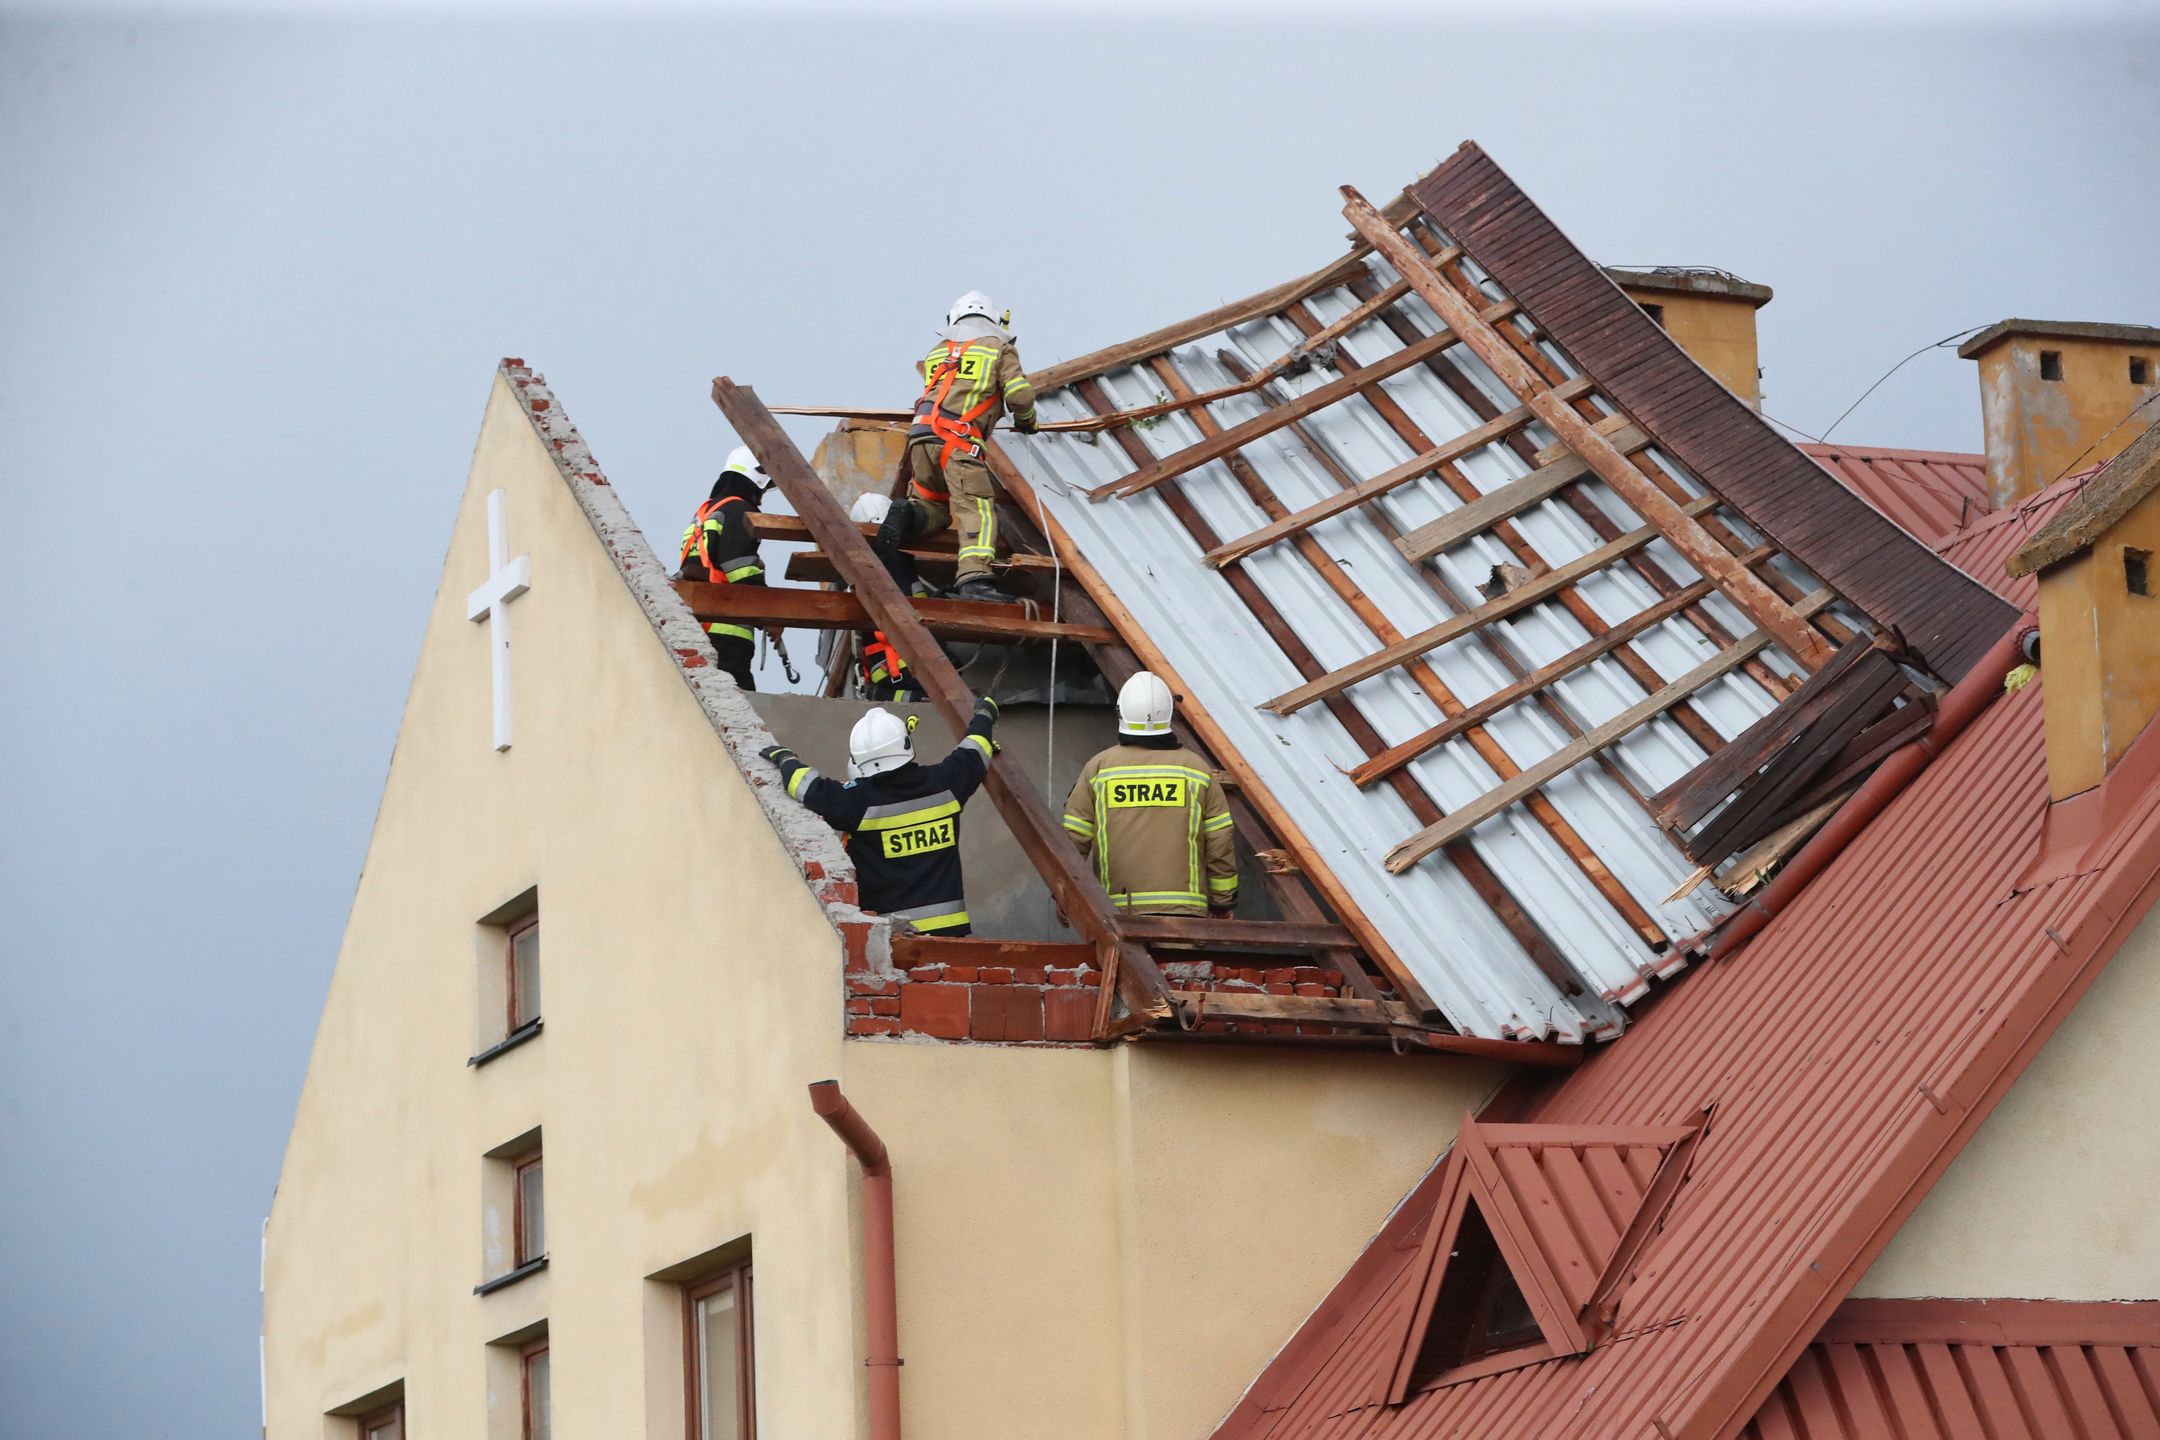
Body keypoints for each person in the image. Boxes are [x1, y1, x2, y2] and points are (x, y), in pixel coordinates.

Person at [760, 697, 1000, 936]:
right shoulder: (946, 783)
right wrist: (984, 713)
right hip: (951, 930)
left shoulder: (858, 801)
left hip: (891, 937)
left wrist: (785, 758)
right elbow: (976, 749)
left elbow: (807, 787)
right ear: (905, 745)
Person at [878, 291, 1038, 606]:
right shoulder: (999, 349)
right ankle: (975, 580)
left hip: (921, 439)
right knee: (976, 508)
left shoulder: (938, 352)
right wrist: (1028, 422)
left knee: (933, 507)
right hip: (958, 441)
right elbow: (1020, 396)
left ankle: (908, 514)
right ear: (994, 321)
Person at [1062, 673, 1237, 917]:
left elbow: (1073, 839)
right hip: (1185, 916)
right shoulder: (1196, 770)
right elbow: (1219, 841)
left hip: (1117, 914)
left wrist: (1064, 896)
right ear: (1168, 714)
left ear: (1122, 713)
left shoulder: (1100, 769)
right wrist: (1222, 903)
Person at [679, 445, 779, 689]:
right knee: (739, 698)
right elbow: (741, 570)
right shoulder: (739, 510)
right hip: (727, 631)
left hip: (698, 624)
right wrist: (770, 614)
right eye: (763, 488)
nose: (762, 496)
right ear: (756, 478)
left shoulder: (705, 513)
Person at [844, 494, 928, 702]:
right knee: (935, 698)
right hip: (896, 665)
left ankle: (882, 694)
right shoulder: (881, 566)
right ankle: (882, 695)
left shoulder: (897, 564)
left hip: (898, 664)